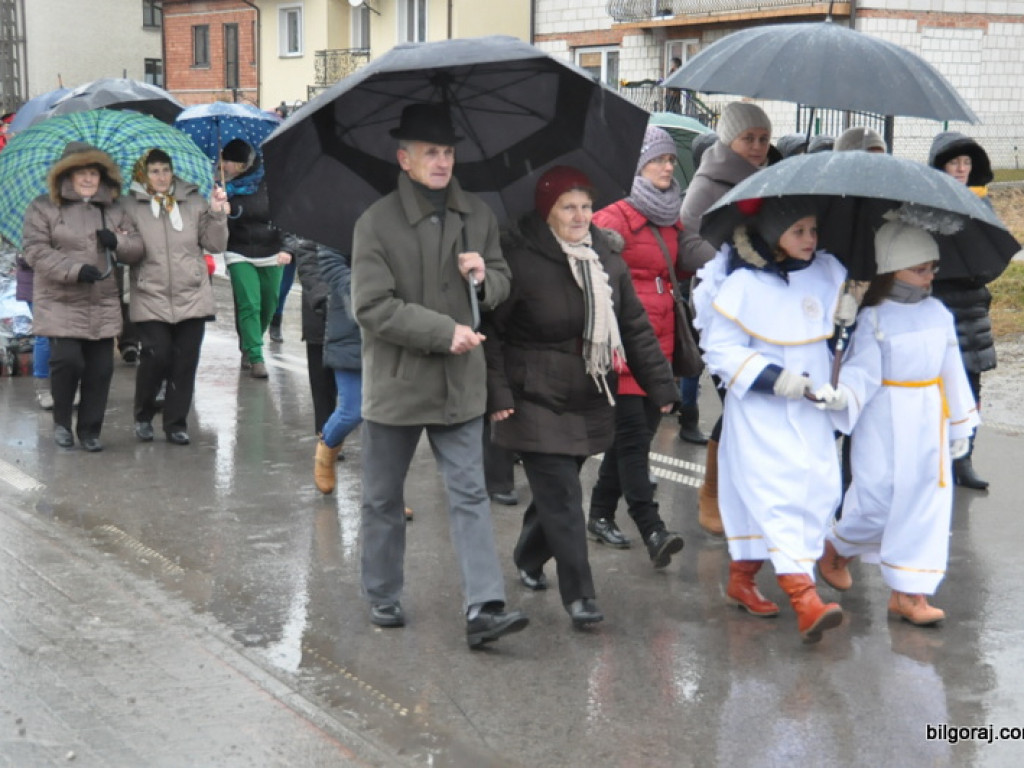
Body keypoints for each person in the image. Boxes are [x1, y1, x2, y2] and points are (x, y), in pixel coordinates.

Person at [350, 102, 528, 649]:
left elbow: (502, 280)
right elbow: (372, 307)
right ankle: (382, 590)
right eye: (431, 152)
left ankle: (484, 606)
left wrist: (485, 279)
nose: (442, 161)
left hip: (460, 383)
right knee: (382, 497)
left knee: (470, 494)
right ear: (404, 159)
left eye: (448, 152)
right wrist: (441, 331)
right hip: (399, 383)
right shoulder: (374, 222)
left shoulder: (477, 215)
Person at [486, 166, 679, 628]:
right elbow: (491, 331)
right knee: (565, 495)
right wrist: (497, 393)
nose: (580, 215)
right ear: (546, 212)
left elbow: (633, 327)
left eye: (586, 206)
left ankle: (529, 554)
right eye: (567, 207)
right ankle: (580, 596)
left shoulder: (605, 259)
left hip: (589, 393)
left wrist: (662, 388)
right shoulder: (519, 258)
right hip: (533, 395)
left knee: (557, 494)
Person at [692, 196, 863, 643]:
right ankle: (804, 598)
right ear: (774, 236)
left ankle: (742, 577)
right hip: (761, 411)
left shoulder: (828, 274)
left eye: (812, 230)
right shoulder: (744, 285)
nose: (810, 240)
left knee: (818, 489)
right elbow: (721, 349)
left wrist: (844, 331)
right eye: (798, 231)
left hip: (811, 409)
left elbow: (837, 343)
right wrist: (774, 378)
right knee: (774, 494)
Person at [819, 218, 978, 626]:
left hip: (928, 415)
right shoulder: (873, 318)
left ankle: (910, 592)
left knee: (925, 501)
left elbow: (951, 369)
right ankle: (837, 545)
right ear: (892, 270)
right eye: (919, 269)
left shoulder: (938, 313)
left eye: (931, 270)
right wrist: (845, 393)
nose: (928, 278)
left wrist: (961, 424)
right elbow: (863, 370)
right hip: (884, 416)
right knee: (877, 496)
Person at [584, 127, 686, 566]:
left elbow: (681, 263)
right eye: (657, 160)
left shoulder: (672, 215)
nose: (667, 167)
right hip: (623, 343)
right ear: (637, 166)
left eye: (669, 160)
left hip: (658, 341)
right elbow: (596, 281)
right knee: (631, 441)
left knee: (637, 435)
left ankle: (600, 514)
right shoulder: (614, 217)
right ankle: (652, 527)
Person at [679, 102, 774, 536]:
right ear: (728, 140)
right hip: (722, 307)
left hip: (767, 306)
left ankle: (749, 494)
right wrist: (731, 263)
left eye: (762, 138)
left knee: (760, 404)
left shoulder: (774, 174)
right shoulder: (709, 181)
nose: (756, 147)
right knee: (739, 399)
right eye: (747, 138)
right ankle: (712, 492)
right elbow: (686, 241)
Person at [22, 141, 143, 451]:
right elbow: (35, 250)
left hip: (102, 299)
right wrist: (74, 269)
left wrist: (116, 241)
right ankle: (62, 422)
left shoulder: (113, 209)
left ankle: (90, 430)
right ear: (66, 175)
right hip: (60, 299)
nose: (88, 179)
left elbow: (137, 248)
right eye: (81, 173)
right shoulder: (43, 207)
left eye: (94, 173)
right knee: (68, 362)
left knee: (101, 370)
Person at [124, 148, 229, 446]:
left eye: (165, 170)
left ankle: (175, 422)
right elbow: (127, 251)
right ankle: (143, 415)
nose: (161, 177)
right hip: (150, 293)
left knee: (185, 361)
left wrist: (218, 213)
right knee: (157, 354)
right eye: (154, 171)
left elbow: (215, 244)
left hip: (192, 293)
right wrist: (118, 240)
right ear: (144, 173)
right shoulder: (130, 205)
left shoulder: (193, 201)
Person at [928, 131, 996, 490]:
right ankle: (936, 452)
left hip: (974, 306)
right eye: (954, 161)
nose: (960, 168)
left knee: (971, 384)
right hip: (938, 302)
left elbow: (995, 251)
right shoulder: (927, 203)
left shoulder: (981, 203)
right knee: (938, 384)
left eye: (966, 162)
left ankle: (964, 459)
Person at [219, 138, 293, 379]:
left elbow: (286, 215)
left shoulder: (268, 182)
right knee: (249, 303)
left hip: (271, 250)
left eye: (227, 161)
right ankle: (256, 356)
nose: (223, 165)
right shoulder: (221, 187)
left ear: (240, 164)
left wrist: (287, 248)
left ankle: (250, 344)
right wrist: (220, 210)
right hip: (238, 251)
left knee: (268, 305)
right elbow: (213, 227)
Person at [312, 244, 362, 493]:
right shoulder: (340, 218)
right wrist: (368, 290)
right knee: (353, 410)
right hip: (351, 325)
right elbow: (329, 261)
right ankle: (327, 449)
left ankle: (387, 495)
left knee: (387, 421)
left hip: (395, 328)